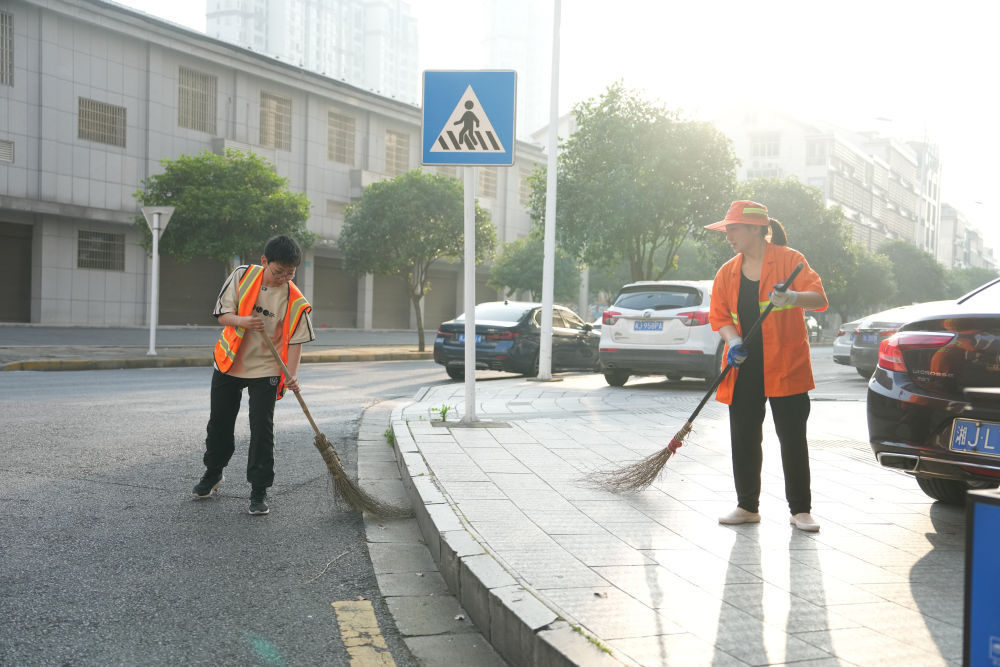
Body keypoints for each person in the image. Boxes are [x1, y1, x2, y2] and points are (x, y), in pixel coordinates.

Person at [705, 201, 828, 532]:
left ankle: (801, 510)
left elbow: (819, 298)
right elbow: (719, 316)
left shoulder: (790, 260)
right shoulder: (727, 271)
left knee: (792, 437)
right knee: (743, 437)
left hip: (785, 364)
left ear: (756, 229)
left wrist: (792, 298)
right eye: (727, 229)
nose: (728, 235)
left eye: (733, 229)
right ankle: (747, 507)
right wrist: (732, 342)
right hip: (743, 365)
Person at [192, 235, 315, 515]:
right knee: (219, 422)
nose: (283, 277)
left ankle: (259, 490)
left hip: (267, 369)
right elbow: (222, 315)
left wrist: (291, 376)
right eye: (278, 271)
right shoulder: (241, 276)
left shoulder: (295, 301)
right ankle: (213, 474)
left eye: (290, 273)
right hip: (229, 363)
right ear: (264, 262)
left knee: (262, 430)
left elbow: (296, 341)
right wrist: (243, 321)